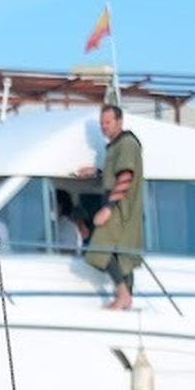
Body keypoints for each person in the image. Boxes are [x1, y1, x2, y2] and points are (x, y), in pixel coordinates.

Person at [76, 104, 144, 309]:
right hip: (118, 203)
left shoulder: (127, 144)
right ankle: (126, 299)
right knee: (121, 252)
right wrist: (96, 172)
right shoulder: (114, 146)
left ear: (119, 122)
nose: (104, 127)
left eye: (108, 122)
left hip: (120, 206)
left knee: (100, 246)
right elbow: (114, 174)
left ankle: (123, 295)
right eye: (101, 123)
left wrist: (108, 208)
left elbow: (125, 176)